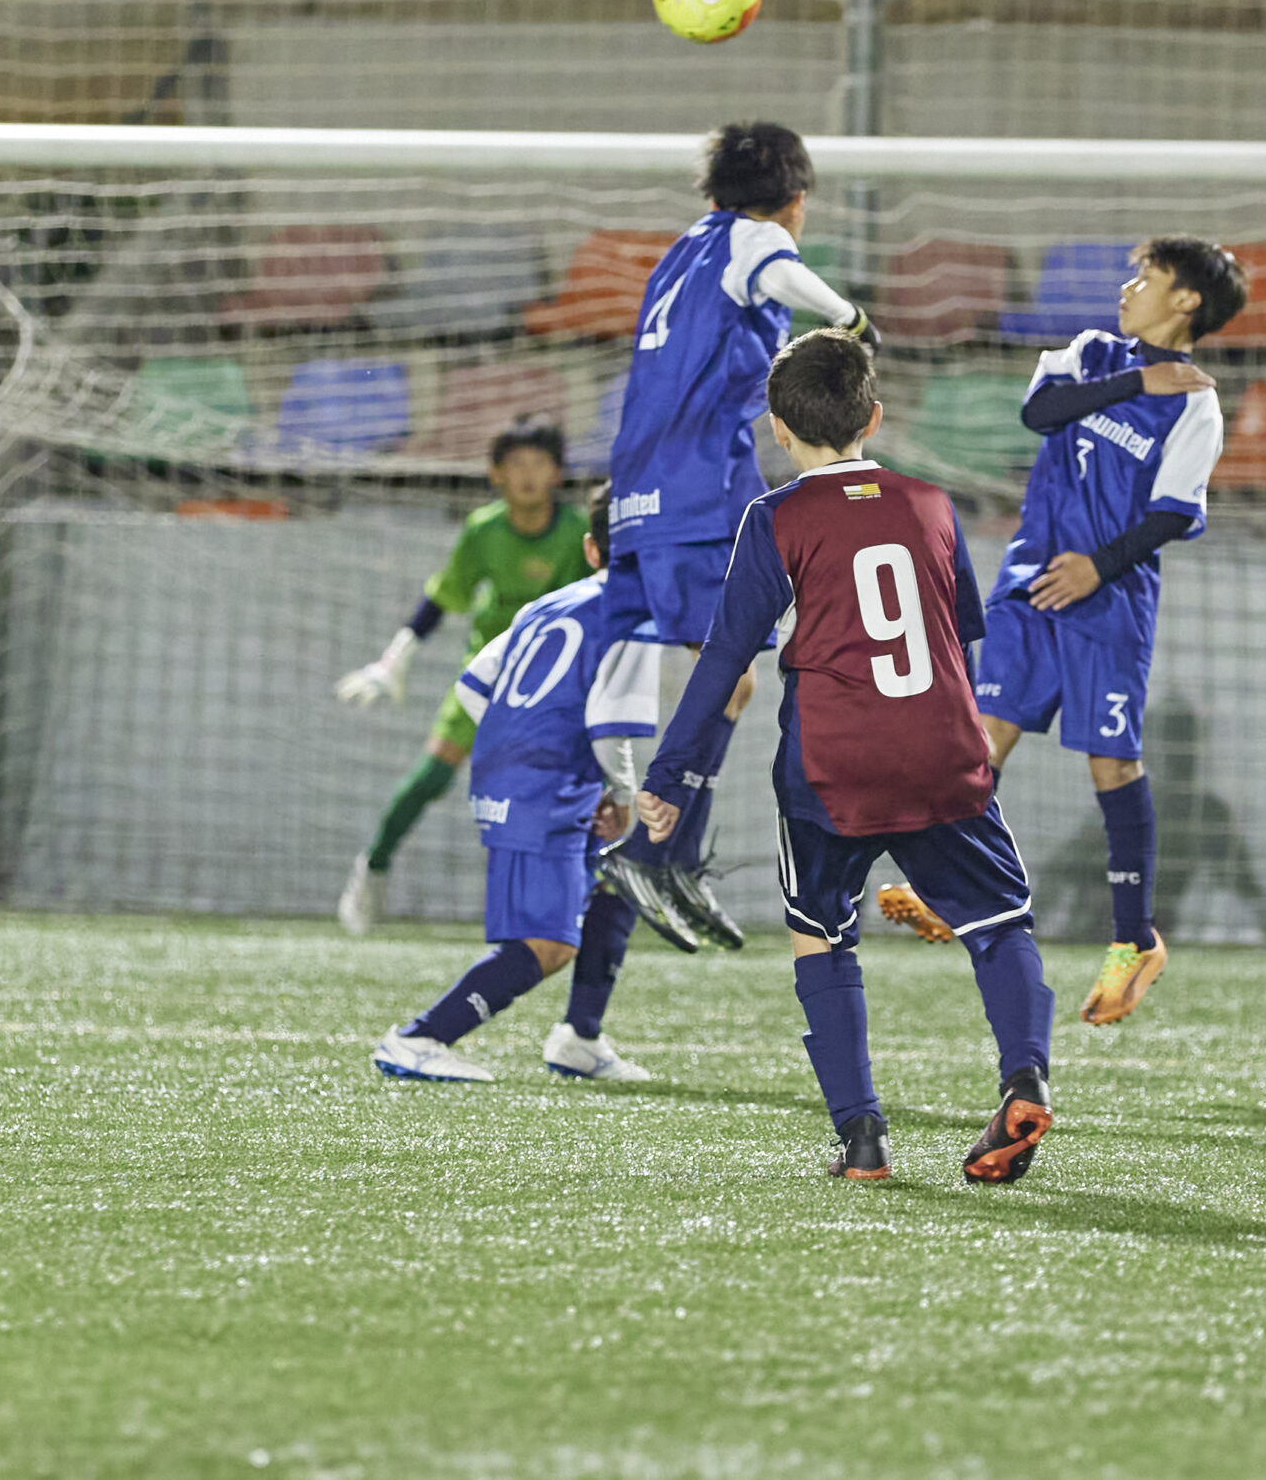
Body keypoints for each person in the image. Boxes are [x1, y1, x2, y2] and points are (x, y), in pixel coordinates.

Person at [637, 328, 1056, 1185]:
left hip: (832, 768)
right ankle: (1025, 1079)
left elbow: (725, 659)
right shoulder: (931, 503)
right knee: (1000, 924)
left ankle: (862, 1138)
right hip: (942, 750)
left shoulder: (775, 517)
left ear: (777, 428)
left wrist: (669, 772)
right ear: (873, 417)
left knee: (821, 936)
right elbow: (959, 637)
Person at [599, 122, 873, 954]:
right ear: (794, 200)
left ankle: (669, 855)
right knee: (731, 675)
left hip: (653, 483)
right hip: (695, 489)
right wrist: (848, 318)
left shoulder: (685, 248)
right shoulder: (753, 239)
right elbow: (778, 269)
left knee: (732, 680)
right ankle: (647, 852)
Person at [961, 237, 1236, 1027]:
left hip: (1109, 598)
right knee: (982, 738)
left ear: (1186, 300)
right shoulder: (1089, 354)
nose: (1127, 288)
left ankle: (1133, 940)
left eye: (1146, 278)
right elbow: (1038, 412)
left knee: (1111, 764)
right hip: (1028, 582)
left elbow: (1173, 514)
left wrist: (1097, 568)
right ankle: (954, 886)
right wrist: (1134, 380)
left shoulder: (1196, 405)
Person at [371, 487, 665, 1084]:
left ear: (591, 549)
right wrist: (621, 796)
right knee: (548, 944)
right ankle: (420, 1037)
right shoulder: (635, 619)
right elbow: (610, 725)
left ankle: (581, 1038)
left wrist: (516, 741)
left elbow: (472, 685)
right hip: (548, 785)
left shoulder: (546, 605)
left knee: (613, 882)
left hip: (515, 772)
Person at [334, 422, 593, 935]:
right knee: (432, 776)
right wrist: (393, 659)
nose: (527, 475)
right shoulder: (483, 530)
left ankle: (572, 899)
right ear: (496, 474)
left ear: (558, 473)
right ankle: (373, 868)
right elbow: (443, 596)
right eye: (516, 465)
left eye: (538, 464)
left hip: (555, 682)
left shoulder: (576, 532)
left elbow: (600, 599)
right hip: (487, 676)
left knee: (562, 791)